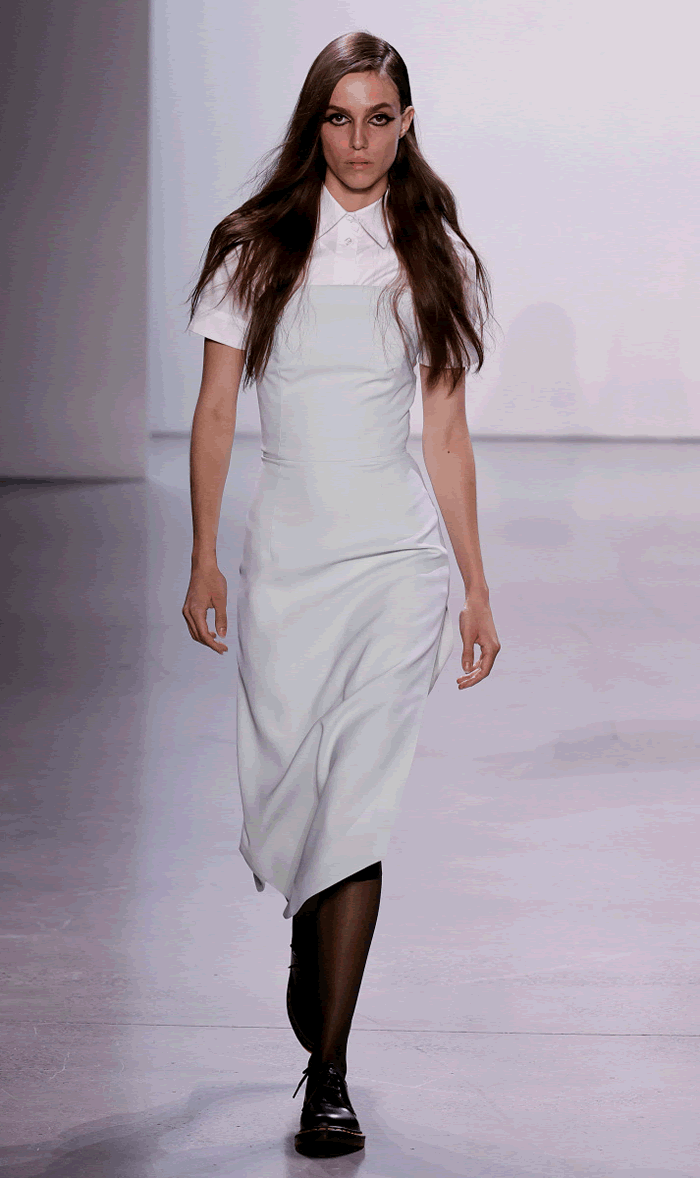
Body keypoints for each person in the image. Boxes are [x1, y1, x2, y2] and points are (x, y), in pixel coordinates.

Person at [183, 30, 500, 1159]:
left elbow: (445, 431)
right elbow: (216, 410)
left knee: (358, 803)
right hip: (289, 564)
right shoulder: (256, 245)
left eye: (378, 117)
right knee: (296, 800)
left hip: (394, 565)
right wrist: (204, 557)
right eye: (338, 117)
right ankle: (309, 930)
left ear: (406, 125)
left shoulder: (431, 254)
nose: (359, 140)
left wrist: (474, 586)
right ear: (312, 124)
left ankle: (329, 1071)